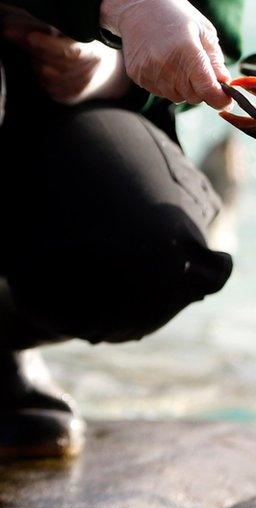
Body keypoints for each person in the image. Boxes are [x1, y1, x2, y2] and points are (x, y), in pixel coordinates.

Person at [0, 0, 243, 458]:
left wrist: (113, 68)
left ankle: (1, 341)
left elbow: (214, 37)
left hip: (58, 103)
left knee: (162, 250)